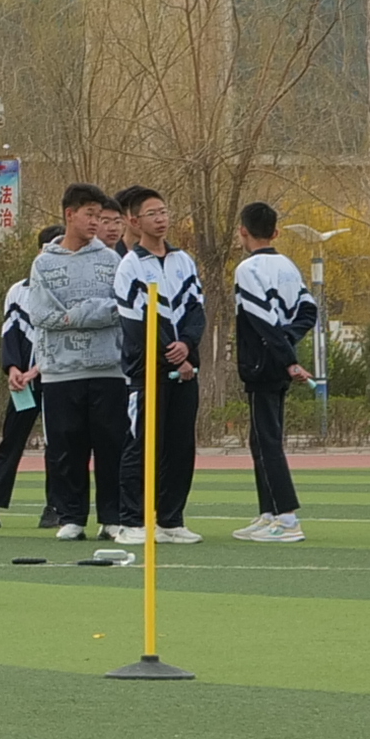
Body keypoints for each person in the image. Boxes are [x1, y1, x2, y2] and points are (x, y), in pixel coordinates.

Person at [26, 183, 141, 547]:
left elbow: (118, 307)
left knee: (111, 446)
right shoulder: (44, 263)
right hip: (60, 370)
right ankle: (71, 516)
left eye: (100, 216)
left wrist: (75, 315)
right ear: (69, 214)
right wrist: (83, 315)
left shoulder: (111, 260)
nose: (95, 222)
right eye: (89, 215)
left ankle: (112, 517)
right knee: (65, 447)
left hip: (107, 368)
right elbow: (42, 313)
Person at [223, 201, 314, 541]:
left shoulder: (248, 269)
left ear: (243, 231)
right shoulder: (288, 266)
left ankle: (287, 519)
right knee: (259, 439)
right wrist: (288, 345)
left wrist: (286, 358)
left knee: (267, 439)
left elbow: (262, 321)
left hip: (264, 363)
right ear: (276, 232)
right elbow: (307, 311)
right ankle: (269, 512)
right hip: (274, 358)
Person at [127, 194, 209, 542]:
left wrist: (187, 348)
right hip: (148, 372)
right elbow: (137, 321)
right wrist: (168, 354)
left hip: (185, 371)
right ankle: (133, 521)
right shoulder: (130, 265)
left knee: (180, 447)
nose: (160, 219)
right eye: (152, 213)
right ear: (135, 221)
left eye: (164, 211)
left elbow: (196, 310)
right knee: (142, 446)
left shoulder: (183, 261)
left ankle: (171, 520)